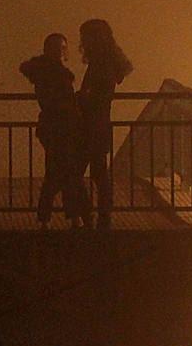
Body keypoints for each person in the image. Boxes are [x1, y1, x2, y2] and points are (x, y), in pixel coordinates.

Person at [20, 33, 88, 228]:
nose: (60, 51)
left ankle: (48, 219)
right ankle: (71, 218)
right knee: (66, 173)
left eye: (62, 48)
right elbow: (55, 101)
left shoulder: (45, 71)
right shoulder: (52, 73)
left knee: (59, 173)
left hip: (56, 127)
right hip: (59, 127)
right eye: (57, 48)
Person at [77, 18, 133, 229]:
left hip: (92, 124)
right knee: (99, 173)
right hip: (100, 124)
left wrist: (80, 98)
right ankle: (101, 216)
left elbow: (98, 94)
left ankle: (89, 216)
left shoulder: (101, 63)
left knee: (75, 173)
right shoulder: (106, 61)